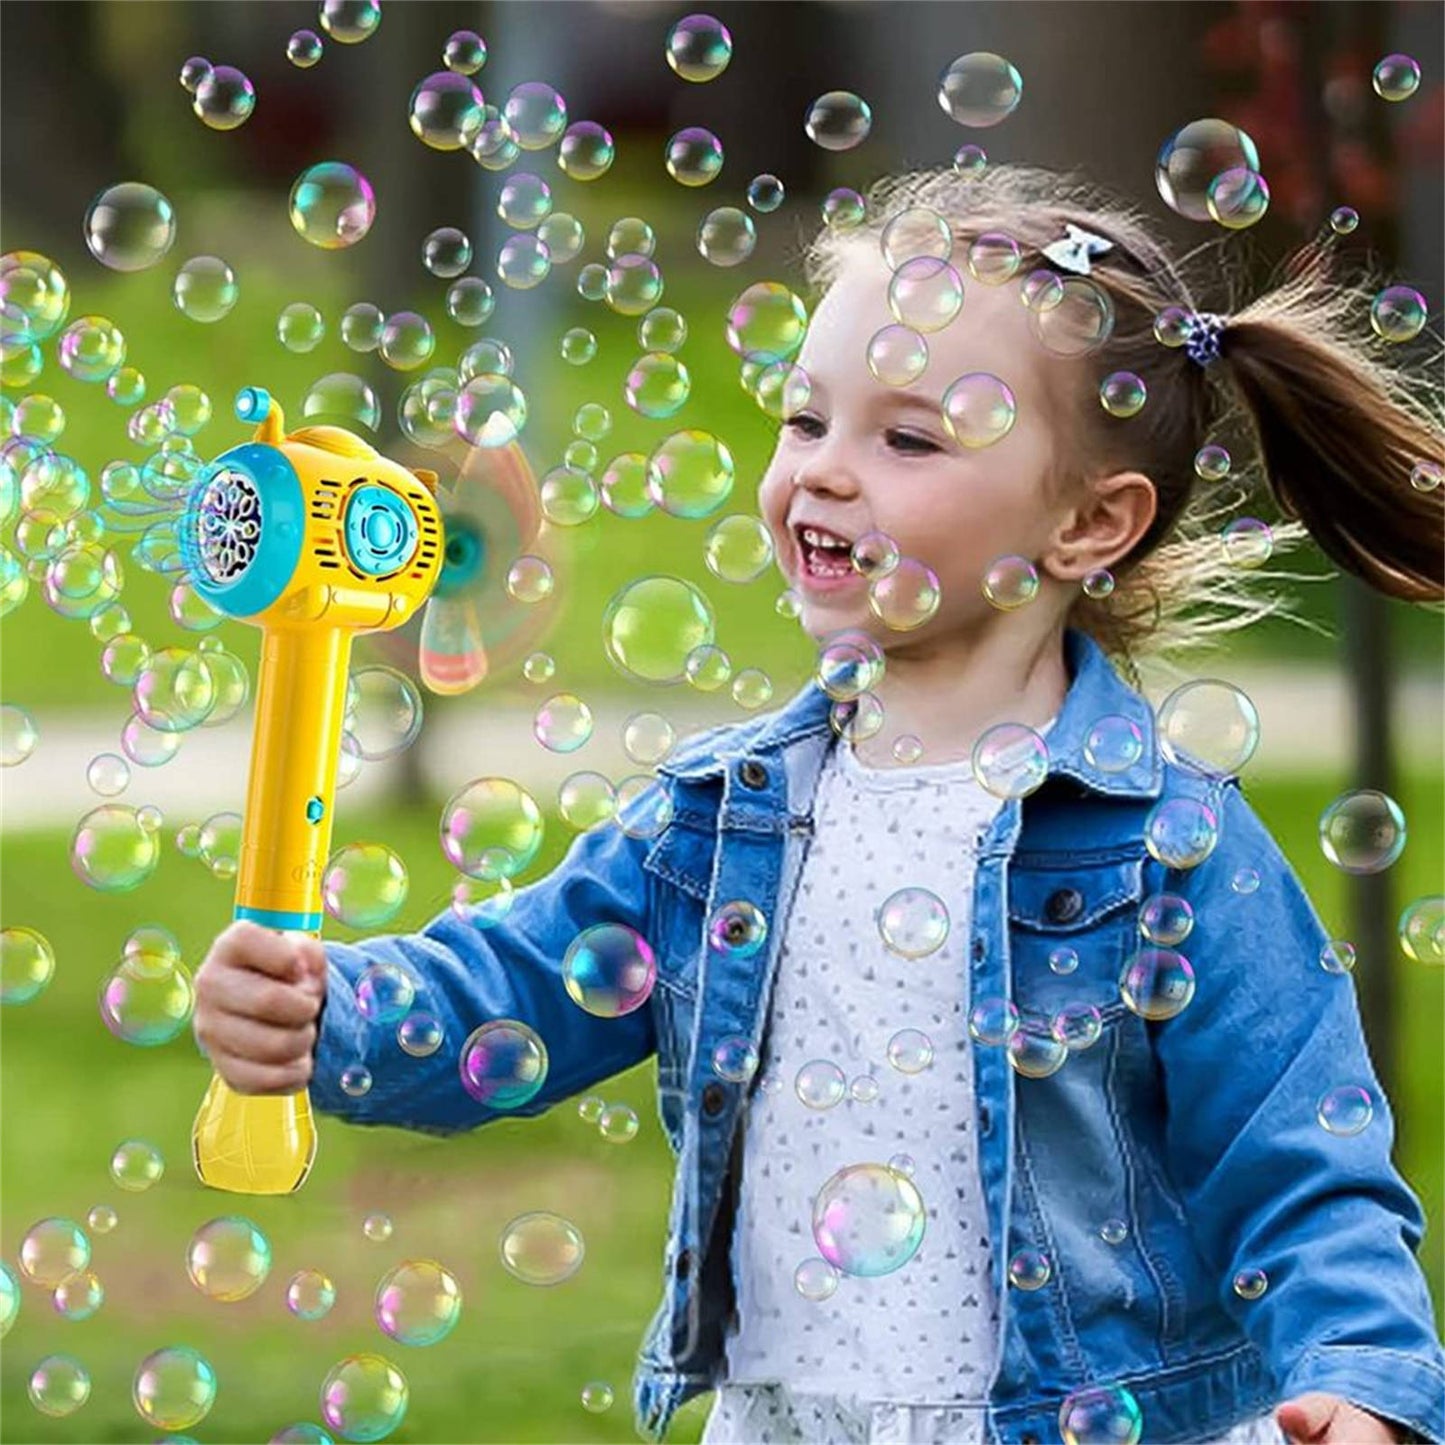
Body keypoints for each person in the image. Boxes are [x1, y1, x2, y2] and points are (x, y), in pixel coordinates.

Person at [193, 164, 1445, 1445]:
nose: (825, 472)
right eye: (805, 420)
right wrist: (331, 1010)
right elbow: (518, 983)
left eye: (906, 438)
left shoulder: (1164, 851)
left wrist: (1363, 1377)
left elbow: (1299, 1157)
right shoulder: (719, 820)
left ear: (1087, 523)